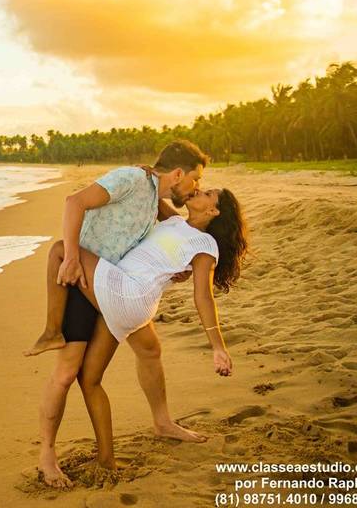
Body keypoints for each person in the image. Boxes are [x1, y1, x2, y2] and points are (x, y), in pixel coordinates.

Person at [24, 140, 211, 488]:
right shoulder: (131, 178)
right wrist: (71, 258)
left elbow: (170, 234)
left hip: (114, 283)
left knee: (149, 349)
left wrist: (179, 268)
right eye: (195, 179)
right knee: (67, 373)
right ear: (178, 174)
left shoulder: (155, 197)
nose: (196, 187)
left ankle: (162, 422)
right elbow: (74, 202)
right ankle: (47, 456)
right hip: (81, 280)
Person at [37, 187, 248, 487]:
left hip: (126, 293)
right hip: (133, 299)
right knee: (130, 359)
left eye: (207, 193)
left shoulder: (205, 245)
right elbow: (155, 190)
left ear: (213, 211)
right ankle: (132, 443)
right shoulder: (175, 222)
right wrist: (149, 173)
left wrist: (218, 347)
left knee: (61, 250)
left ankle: (51, 330)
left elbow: (203, 296)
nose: (199, 190)